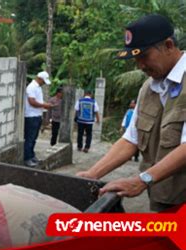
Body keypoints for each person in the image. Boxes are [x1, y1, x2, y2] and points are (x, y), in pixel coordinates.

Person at [77, 14, 186, 212]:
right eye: (136, 59)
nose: (140, 66)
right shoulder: (148, 88)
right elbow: (131, 140)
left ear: (169, 45)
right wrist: (93, 174)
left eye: (144, 56)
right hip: (166, 201)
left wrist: (142, 180)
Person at [24, 71, 52, 167]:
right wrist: (44, 105)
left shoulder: (38, 87)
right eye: (43, 81)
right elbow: (32, 102)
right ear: (39, 78)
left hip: (36, 115)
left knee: (34, 138)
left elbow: (37, 101)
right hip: (31, 116)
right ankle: (27, 158)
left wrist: (44, 105)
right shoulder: (32, 87)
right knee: (30, 138)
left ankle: (31, 155)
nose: (43, 83)